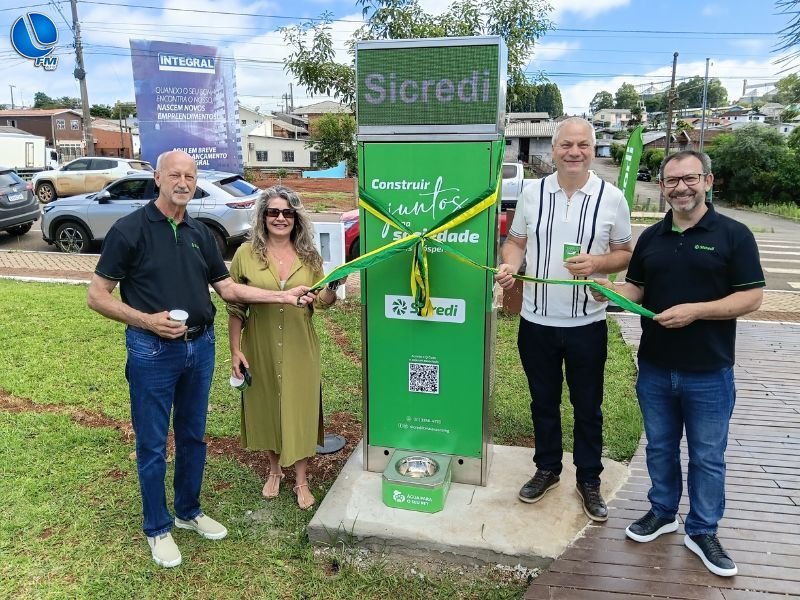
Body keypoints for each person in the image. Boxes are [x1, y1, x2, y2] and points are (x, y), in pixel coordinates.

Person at [87, 151, 315, 569]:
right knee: (153, 443)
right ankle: (157, 528)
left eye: (190, 175)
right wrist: (146, 321)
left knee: (193, 436)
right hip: (151, 350)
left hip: (199, 348)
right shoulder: (130, 230)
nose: (183, 181)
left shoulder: (198, 232)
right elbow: (96, 296)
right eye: (174, 174)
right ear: (157, 178)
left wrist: (282, 296)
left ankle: (188, 511)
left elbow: (229, 291)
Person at [592, 150, 764, 577]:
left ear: (708, 181)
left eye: (689, 179)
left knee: (707, 455)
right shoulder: (651, 237)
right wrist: (608, 293)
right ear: (662, 187)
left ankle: (703, 530)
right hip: (654, 366)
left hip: (709, 370)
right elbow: (636, 289)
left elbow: (751, 297)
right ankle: (663, 512)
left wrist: (696, 311)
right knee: (662, 447)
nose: (680, 188)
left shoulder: (734, 235)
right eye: (671, 181)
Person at [495, 117, 633, 521]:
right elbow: (516, 241)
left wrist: (598, 262)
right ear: (554, 149)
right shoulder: (533, 193)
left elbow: (624, 252)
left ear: (593, 149)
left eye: (583, 145)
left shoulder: (612, 197)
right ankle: (548, 468)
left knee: (588, 406)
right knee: (543, 402)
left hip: (587, 324)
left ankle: (589, 478)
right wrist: (510, 267)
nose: (574, 152)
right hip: (536, 322)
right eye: (566, 145)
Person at [227, 186, 342, 510]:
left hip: (298, 346)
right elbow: (235, 307)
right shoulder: (245, 255)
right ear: (263, 216)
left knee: (300, 409)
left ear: (296, 218)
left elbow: (321, 303)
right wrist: (235, 350)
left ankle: (302, 480)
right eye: (273, 212)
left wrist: (332, 288)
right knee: (267, 406)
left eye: (287, 212)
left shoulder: (310, 257)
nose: (280, 218)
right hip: (259, 343)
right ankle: (275, 470)